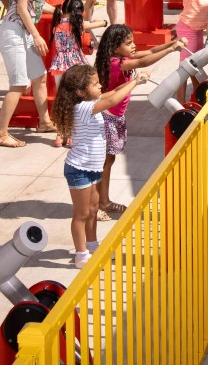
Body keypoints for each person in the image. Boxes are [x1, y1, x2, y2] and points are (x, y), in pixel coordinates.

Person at [51, 63, 150, 268]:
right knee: (82, 214)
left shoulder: (91, 101)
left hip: (93, 169)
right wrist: (135, 81)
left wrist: (134, 82)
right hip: (79, 169)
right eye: (95, 84)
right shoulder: (83, 108)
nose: (100, 86)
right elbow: (114, 99)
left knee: (94, 208)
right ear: (80, 91)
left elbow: (112, 93)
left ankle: (92, 245)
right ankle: (81, 255)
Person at [93, 25, 186, 219]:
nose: (134, 46)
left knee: (108, 161)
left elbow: (150, 51)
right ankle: (96, 206)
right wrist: (171, 50)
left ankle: (104, 200)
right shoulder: (116, 63)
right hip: (107, 118)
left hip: (115, 116)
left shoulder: (122, 58)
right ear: (115, 47)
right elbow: (143, 62)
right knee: (103, 163)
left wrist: (172, 44)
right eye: (128, 43)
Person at [0, 0, 62, 148]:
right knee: (19, 84)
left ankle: (44, 122)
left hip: (23, 32)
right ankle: (0, 134)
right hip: (14, 33)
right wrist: (36, 34)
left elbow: (39, 6)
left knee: (39, 77)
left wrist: (66, 11)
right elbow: (22, 8)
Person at [48, 0, 106, 148]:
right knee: (76, 101)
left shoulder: (56, 24)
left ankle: (60, 134)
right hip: (75, 66)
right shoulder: (76, 25)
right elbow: (91, 25)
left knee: (61, 99)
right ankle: (73, 135)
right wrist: (103, 22)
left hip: (59, 65)